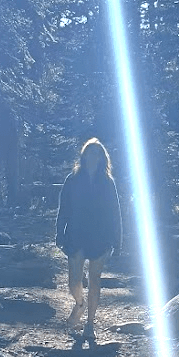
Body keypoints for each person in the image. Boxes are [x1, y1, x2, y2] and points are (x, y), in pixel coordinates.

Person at [55, 138, 122, 342]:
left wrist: (117, 241)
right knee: (74, 280)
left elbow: (114, 213)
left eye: (97, 153)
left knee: (95, 280)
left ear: (102, 158)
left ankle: (90, 324)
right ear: (83, 156)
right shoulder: (72, 179)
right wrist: (59, 232)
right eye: (89, 153)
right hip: (76, 234)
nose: (93, 157)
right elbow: (63, 208)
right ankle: (80, 303)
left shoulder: (107, 182)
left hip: (100, 237)